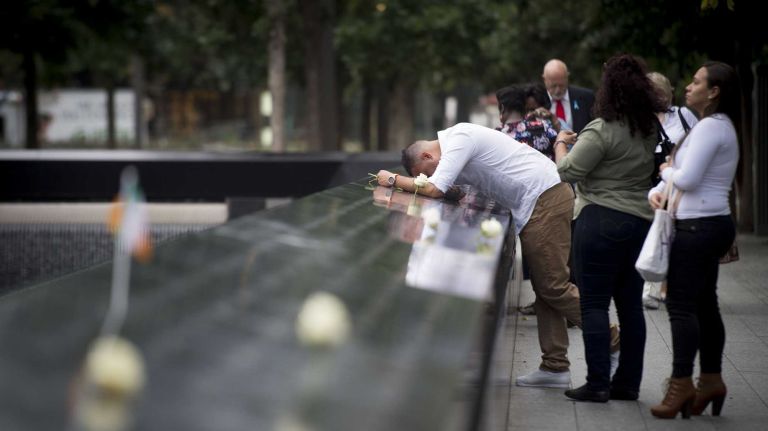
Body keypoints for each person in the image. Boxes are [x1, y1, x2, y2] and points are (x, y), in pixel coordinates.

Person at [376, 122, 618, 389]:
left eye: (426, 172)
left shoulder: (459, 139)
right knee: (546, 287)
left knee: (554, 286)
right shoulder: (458, 141)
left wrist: (392, 179)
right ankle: (555, 367)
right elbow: (455, 190)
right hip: (540, 200)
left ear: (427, 156)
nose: (430, 175)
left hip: (544, 198)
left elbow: (435, 188)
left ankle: (614, 342)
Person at [554, 54, 665, 402]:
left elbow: (568, 171)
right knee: (631, 306)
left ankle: (598, 382)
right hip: (639, 222)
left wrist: (560, 145)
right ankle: (628, 384)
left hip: (599, 221)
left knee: (595, 305)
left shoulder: (601, 129)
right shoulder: (648, 129)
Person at [648, 61, 740, 419]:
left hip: (699, 227)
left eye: (697, 81)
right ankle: (711, 380)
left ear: (714, 92)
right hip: (708, 223)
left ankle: (682, 383)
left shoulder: (710, 128)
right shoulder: (715, 126)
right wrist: (657, 191)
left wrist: (667, 171)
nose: (688, 86)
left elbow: (686, 178)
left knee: (681, 306)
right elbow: (684, 180)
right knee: (705, 305)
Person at [642, 72, 700, 310]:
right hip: (649, 185)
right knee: (655, 233)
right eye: (653, 94)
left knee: (673, 236)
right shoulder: (640, 119)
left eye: (663, 93)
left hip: (677, 184)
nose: (659, 98)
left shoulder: (684, 116)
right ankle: (653, 286)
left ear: (669, 93)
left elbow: (697, 143)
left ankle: (665, 287)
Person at [495, 84, 559, 161]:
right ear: (524, 106)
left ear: (502, 108)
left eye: (533, 110)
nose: (531, 114)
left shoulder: (497, 135)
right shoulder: (545, 127)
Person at [542, 59, 595, 133]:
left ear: (567, 77)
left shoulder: (586, 97)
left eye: (561, 85)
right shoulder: (537, 101)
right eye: (553, 86)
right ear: (545, 80)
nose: (558, 90)